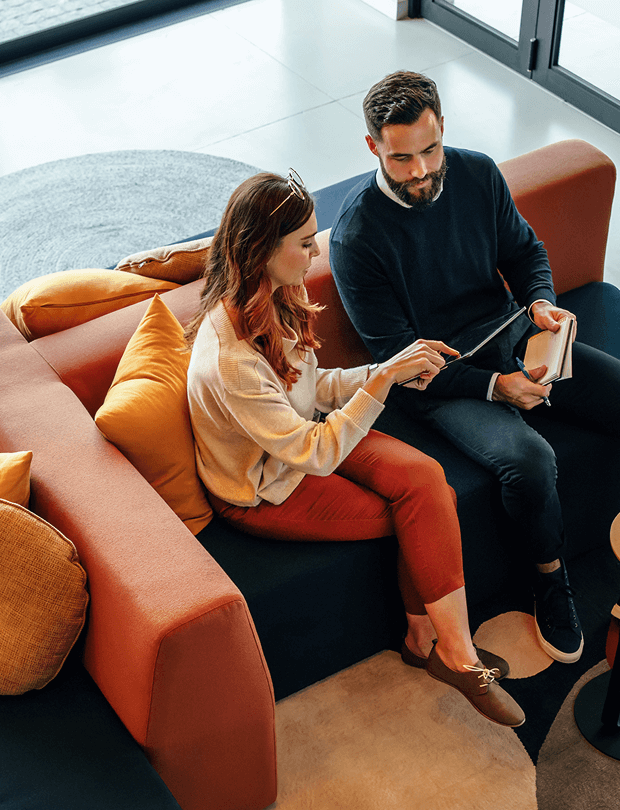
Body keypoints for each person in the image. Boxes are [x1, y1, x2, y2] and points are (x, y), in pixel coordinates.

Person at [329, 70, 620, 665]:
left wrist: (539, 299)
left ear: (443, 130)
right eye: (402, 158)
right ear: (373, 149)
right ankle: (549, 581)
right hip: (438, 382)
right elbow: (399, 360)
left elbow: (524, 250)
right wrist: (496, 387)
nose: (420, 171)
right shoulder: (356, 237)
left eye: (430, 150)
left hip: (514, 337)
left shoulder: (477, 173)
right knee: (530, 461)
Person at [185, 169, 524, 727]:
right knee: (413, 513)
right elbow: (315, 454)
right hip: (262, 489)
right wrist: (380, 385)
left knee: (427, 480)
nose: (315, 251)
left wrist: (386, 368)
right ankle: (456, 657)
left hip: (305, 436)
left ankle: (427, 643)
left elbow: (312, 388)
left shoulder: (276, 294)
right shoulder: (232, 360)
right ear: (262, 250)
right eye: (302, 243)